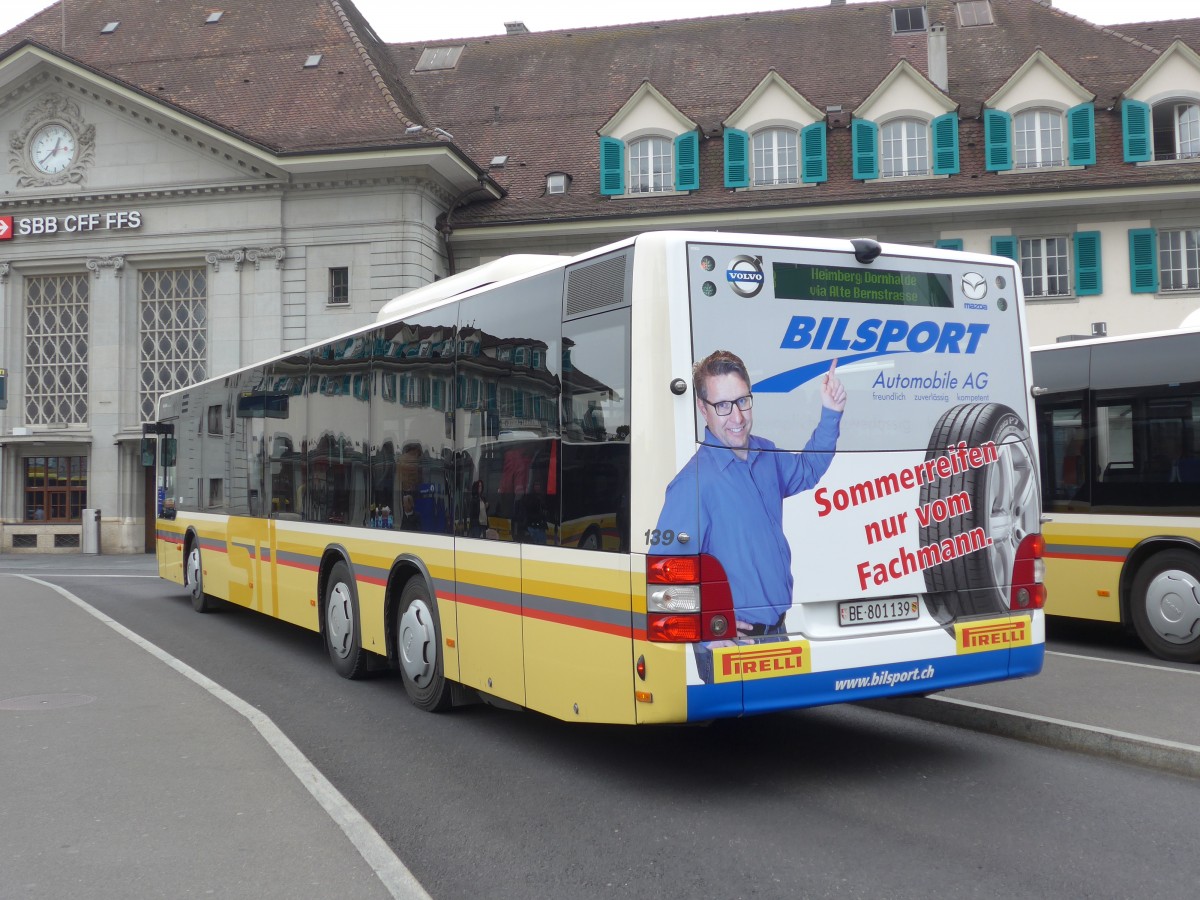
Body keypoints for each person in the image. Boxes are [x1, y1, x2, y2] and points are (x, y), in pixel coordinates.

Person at [653, 349, 846, 683]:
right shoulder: (692, 484)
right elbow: (665, 575)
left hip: (777, 634)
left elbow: (808, 469)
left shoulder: (766, 454)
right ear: (703, 408)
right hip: (732, 647)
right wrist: (706, 630)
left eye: (743, 401)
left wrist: (831, 413)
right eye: (723, 405)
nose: (737, 416)